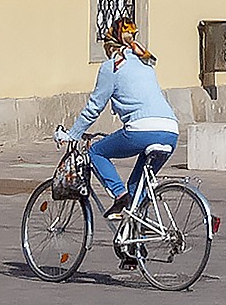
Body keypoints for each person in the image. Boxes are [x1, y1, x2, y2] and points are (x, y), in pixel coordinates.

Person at [61, 18, 179, 223]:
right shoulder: (146, 65)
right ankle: (135, 239)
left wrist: (73, 134)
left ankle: (119, 196)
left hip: (141, 130)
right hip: (171, 130)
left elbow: (94, 107)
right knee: (138, 186)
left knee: (95, 152)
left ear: (110, 45)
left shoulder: (111, 67)